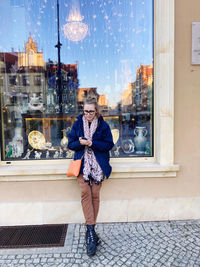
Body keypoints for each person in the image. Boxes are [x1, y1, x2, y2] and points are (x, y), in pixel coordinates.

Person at [67, 96, 114, 256]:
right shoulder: (77, 124)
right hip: (82, 166)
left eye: (91, 112)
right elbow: (70, 144)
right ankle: (91, 233)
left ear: (96, 112)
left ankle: (91, 232)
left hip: (98, 166)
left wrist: (92, 143)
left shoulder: (103, 126)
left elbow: (109, 145)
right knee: (85, 193)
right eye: (86, 111)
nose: (88, 114)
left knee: (95, 194)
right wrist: (80, 143)